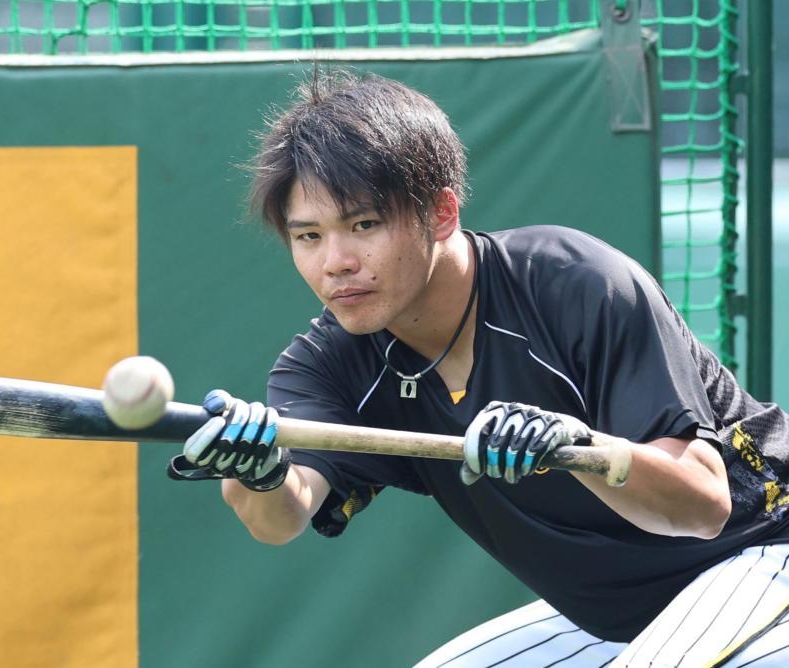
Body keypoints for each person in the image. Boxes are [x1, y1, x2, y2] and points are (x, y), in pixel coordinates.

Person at [166, 71, 789, 666]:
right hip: (618, 618)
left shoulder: (577, 283)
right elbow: (282, 518)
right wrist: (258, 475)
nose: (336, 262)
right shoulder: (327, 365)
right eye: (308, 237)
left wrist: (581, 448)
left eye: (364, 225)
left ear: (441, 212)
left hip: (761, 557)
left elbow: (705, 506)